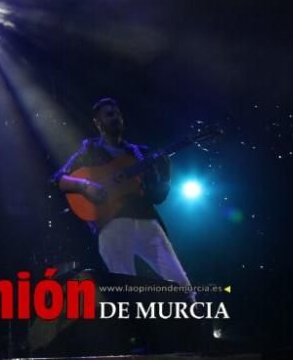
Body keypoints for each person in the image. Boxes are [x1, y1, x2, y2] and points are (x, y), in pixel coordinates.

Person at [53, 98, 192, 292]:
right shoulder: (89, 151)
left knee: (181, 283)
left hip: (146, 221)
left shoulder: (140, 153)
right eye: (109, 114)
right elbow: (59, 179)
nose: (115, 118)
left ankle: (197, 319)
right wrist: (85, 185)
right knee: (126, 290)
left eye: (117, 114)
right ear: (97, 122)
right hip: (110, 225)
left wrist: (166, 174)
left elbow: (157, 198)